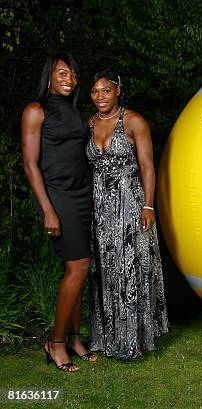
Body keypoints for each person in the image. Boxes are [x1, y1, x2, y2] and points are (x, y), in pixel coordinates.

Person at [22, 52, 97, 372]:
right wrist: (47, 210)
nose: (69, 79)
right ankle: (54, 343)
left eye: (73, 75)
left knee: (82, 267)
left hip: (83, 194)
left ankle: (74, 339)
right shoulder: (36, 111)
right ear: (49, 76)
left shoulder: (77, 113)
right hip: (59, 196)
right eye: (62, 73)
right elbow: (30, 164)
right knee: (77, 266)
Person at [86, 70, 169, 360]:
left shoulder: (133, 121)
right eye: (95, 92)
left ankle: (136, 338)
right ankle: (110, 339)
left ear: (118, 91)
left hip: (130, 202)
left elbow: (147, 165)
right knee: (107, 269)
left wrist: (148, 204)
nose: (100, 97)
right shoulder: (90, 123)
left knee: (131, 268)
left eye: (106, 91)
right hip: (100, 208)